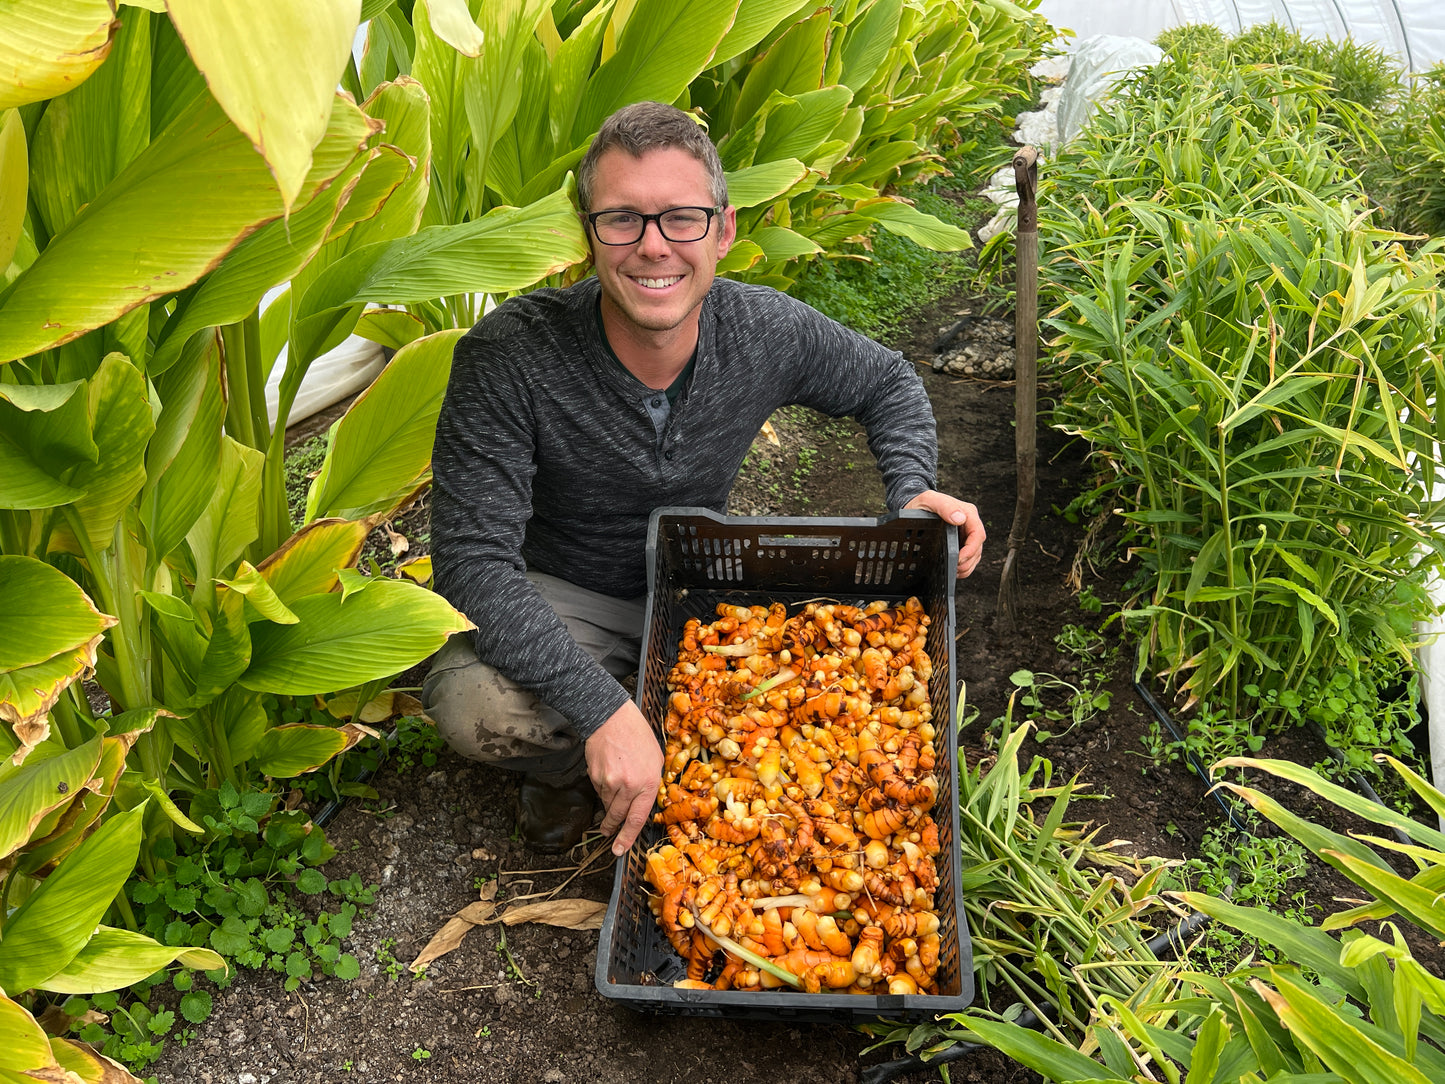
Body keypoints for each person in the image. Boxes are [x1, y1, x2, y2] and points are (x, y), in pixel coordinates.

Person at [424, 101, 985, 858]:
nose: (653, 247)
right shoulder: (510, 357)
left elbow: (886, 381)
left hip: (698, 583)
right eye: (621, 219)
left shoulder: (761, 329)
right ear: (588, 235)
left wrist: (910, 490)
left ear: (721, 231)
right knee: (474, 705)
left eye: (681, 218)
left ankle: (662, 737)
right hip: (568, 592)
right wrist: (600, 714)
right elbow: (471, 563)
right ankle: (568, 769)